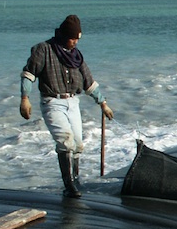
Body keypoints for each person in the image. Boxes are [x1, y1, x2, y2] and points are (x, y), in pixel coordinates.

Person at [19, 15, 114, 198]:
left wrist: (103, 103)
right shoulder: (43, 50)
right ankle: (68, 184)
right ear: (63, 35)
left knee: (78, 144)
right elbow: (28, 74)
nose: (75, 42)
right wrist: (25, 98)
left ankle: (76, 179)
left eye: (78, 39)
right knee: (65, 140)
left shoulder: (76, 56)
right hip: (52, 102)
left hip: (72, 102)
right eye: (73, 38)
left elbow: (89, 82)